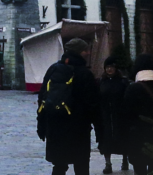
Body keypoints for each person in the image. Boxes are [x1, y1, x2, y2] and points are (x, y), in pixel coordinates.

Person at [37, 38, 102, 175]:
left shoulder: (53, 69)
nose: (88, 53)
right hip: (78, 127)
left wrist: (42, 125)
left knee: (59, 165)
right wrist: (99, 129)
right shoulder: (84, 73)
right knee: (81, 165)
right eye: (86, 50)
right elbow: (93, 104)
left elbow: (43, 96)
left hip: (55, 124)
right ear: (79, 52)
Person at [98, 56, 130, 173]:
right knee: (106, 140)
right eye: (107, 67)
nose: (109, 69)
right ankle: (108, 163)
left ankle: (125, 160)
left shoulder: (123, 81)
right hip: (105, 115)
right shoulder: (101, 82)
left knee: (123, 138)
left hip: (120, 115)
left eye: (111, 67)